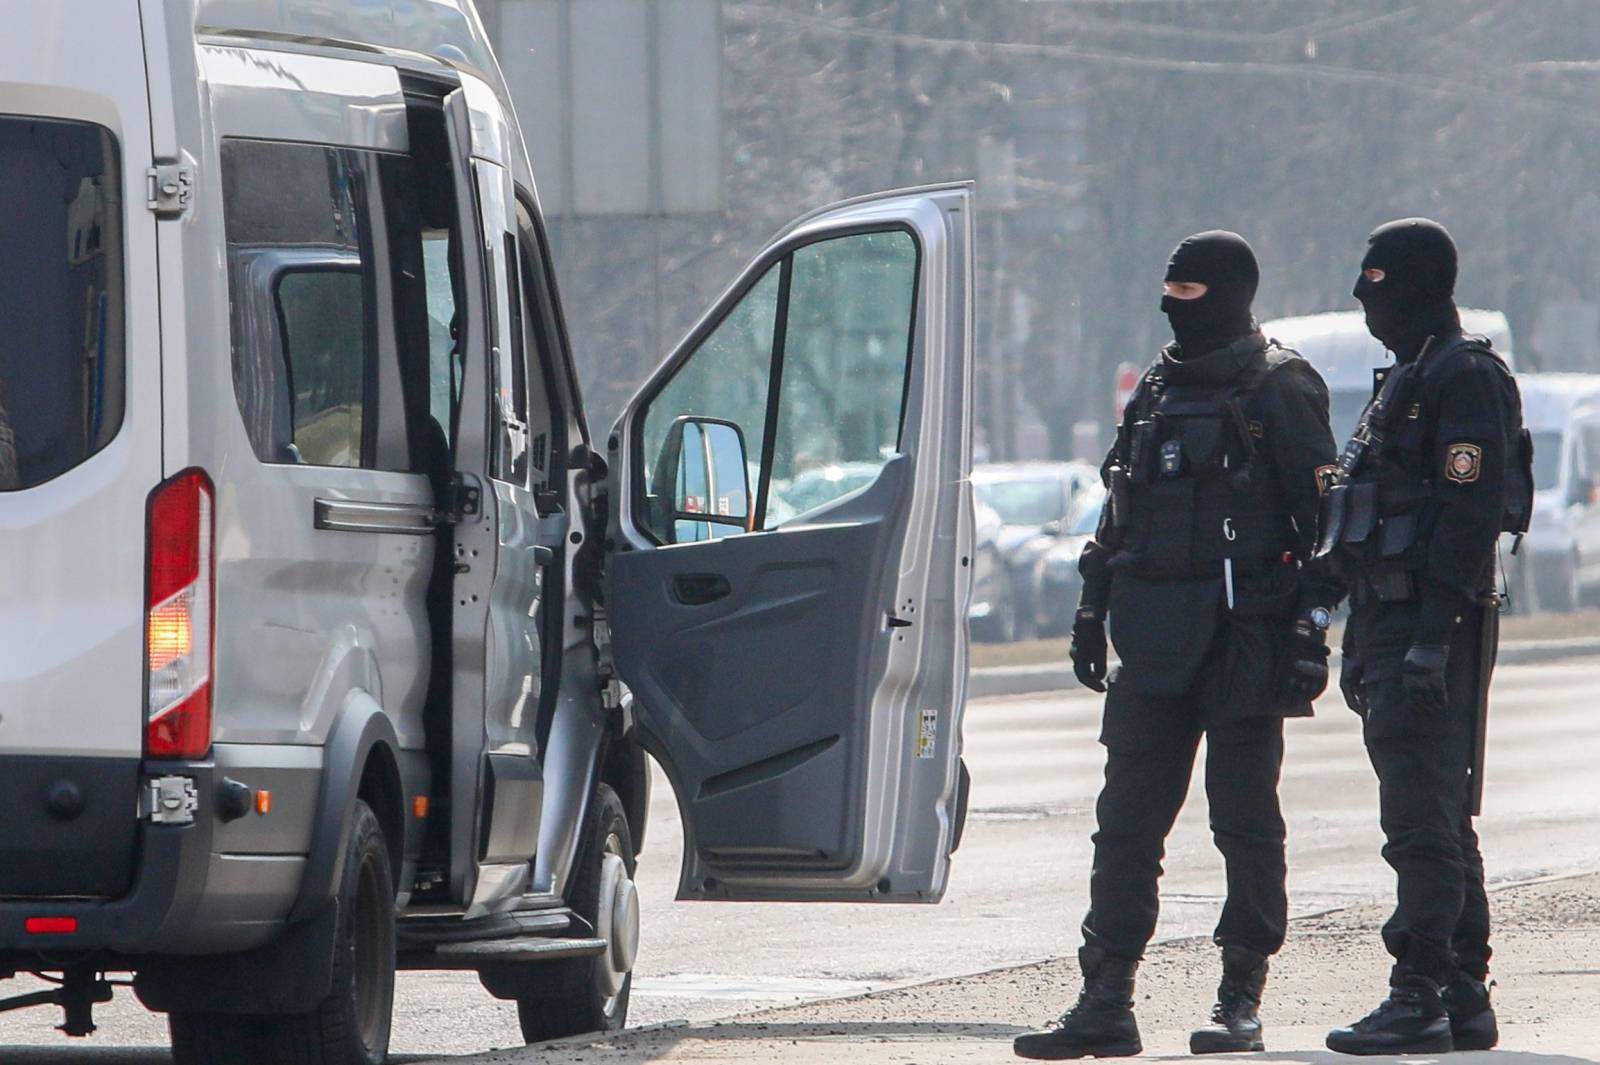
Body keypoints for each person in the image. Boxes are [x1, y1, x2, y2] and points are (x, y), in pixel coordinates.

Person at [1014, 232, 1339, 1059]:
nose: (1170, 303)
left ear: (1229, 294)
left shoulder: (1281, 388)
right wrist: (1092, 605)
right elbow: (1119, 503)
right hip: (1152, 636)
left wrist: (1309, 624)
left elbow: (1328, 527)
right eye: (1167, 287)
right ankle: (1106, 995)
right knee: (1124, 825)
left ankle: (1240, 997)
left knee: (1244, 825)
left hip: (1243, 635)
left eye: (1189, 290)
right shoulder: (1157, 388)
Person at [1321, 219, 1526, 1055]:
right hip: (1386, 617)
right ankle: (1463, 991)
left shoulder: (1463, 376)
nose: (1366, 300)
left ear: (1416, 285)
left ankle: (1419, 992)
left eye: (1379, 282)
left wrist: (1431, 641)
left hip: (1430, 621)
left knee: (1420, 819)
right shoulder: (1405, 378)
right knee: (1433, 811)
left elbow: (1468, 516)